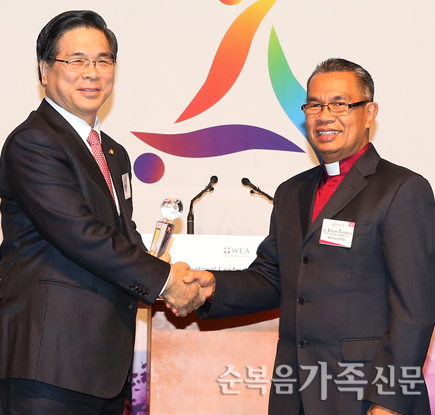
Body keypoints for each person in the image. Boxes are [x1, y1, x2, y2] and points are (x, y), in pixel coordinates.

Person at [184, 58, 435, 415]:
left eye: (339, 104)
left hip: (365, 397)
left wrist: (388, 402)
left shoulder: (402, 190)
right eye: (314, 105)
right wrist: (212, 287)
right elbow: (273, 277)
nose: (324, 116)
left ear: (369, 113)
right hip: (295, 394)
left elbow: (416, 311)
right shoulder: (291, 192)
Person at [0, 10, 204, 415]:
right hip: (48, 362)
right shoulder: (33, 142)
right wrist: (166, 281)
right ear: (44, 70)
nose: (92, 73)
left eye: (103, 60)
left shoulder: (113, 151)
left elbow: (121, 236)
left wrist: (167, 271)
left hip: (103, 365)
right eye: (76, 60)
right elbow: (82, 235)